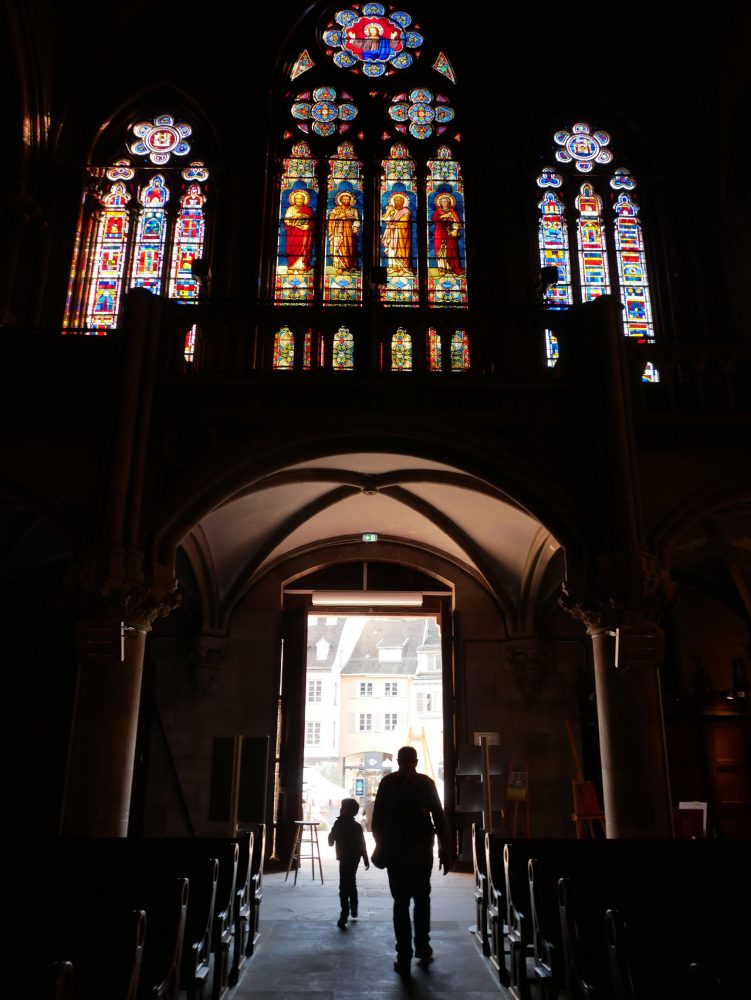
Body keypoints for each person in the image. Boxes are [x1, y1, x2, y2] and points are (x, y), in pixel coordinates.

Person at [371, 746, 454, 977]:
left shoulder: (388, 783)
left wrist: (383, 845)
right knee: (422, 899)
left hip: (397, 853)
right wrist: (445, 849)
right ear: (416, 761)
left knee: (400, 903)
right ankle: (423, 946)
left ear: (398, 761)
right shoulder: (426, 783)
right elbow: (439, 816)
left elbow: (377, 821)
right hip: (421, 851)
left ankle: (403, 956)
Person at [327, 797, 370, 929]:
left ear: (345, 811)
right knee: (351, 882)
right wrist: (365, 859)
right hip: (354, 858)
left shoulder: (338, 824)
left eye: (341, 808)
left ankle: (344, 913)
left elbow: (330, 841)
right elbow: (362, 845)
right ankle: (354, 907)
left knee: (343, 886)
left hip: (344, 858)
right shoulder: (357, 826)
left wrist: (332, 836)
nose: (340, 809)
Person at [327, 191, 360, 275]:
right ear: (341, 200)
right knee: (339, 247)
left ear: (350, 201)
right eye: (344, 199)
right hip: (338, 231)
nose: (346, 201)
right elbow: (331, 220)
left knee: (350, 248)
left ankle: (351, 266)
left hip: (349, 231)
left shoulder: (353, 210)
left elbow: (357, 220)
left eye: (348, 199)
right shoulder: (336, 209)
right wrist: (339, 217)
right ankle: (340, 266)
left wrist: (355, 226)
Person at [381, 193, 413, 276]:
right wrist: (388, 212)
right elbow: (384, 219)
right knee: (391, 250)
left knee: (400, 251)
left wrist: (394, 225)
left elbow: (405, 223)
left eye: (399, 201)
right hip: (391, 234)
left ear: (403, 202)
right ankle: (393, 267)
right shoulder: (392, 210)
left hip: (402, 235)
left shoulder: (406, 211)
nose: (397, 202)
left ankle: (403, 268)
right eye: (396, 201)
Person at [432, 193, 463, 275]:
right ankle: (442, 268)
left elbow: (458, 223)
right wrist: (442, 217)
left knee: (451, 249)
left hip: (450, 234)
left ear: (449, 202)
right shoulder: (438, 211)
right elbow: (434, 219)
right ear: (440, 203)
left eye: (446, 201)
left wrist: (455, 229)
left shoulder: (453, 211)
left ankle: (451, 268)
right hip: (440, 232)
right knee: (441, 250)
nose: (444, 203)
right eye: (442, 201)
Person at [283, 188, 314, 272]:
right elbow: (286, 221)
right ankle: (291, 266)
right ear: (294, 200)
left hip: (304, 233)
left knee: (303, 249)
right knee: (291, 248)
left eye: (301, 198)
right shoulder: (290, 209)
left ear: (304, 200)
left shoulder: (308, 210)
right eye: (297, 198)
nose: (299, 200)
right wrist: (295, 217)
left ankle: (302, 266)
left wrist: (308, 227)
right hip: (292, 233)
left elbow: (313, 223)